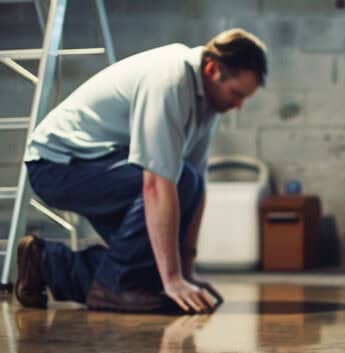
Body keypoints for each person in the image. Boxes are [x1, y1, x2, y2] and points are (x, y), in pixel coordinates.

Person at [14, 29, 267, 314]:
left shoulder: (208, 103)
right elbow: (157, 183)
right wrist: (171, 280)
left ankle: (45, 262)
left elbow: (198, 188)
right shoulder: (171, 78)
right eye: (236, 94)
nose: (238, 105)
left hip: (103, 163)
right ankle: (112, 287)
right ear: (212, 69)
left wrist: (185, 270)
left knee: (151, 255)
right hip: (56, 165)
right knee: (177, 185)